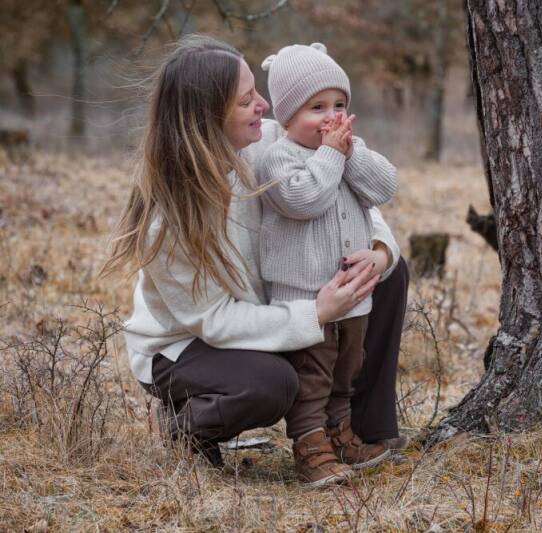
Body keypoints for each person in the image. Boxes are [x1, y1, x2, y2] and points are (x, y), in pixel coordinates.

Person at [99, 35, 408, 472]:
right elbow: (215, 320)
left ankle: (362, 427)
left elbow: (348, 202)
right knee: (269, 385)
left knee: (387, 274)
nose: (264, 105)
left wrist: (378, 252)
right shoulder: (170, 219)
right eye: (247, 99)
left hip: (276, 305)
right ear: (210, 114)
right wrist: (314, 315)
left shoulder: (270, 139)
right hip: (190, 346)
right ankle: (184, 422)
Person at [255, 43, 398, 486]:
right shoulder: (278, 157)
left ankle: (341, 434)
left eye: (339, 105)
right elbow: (304, 200)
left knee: (345, 372)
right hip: (306, 299)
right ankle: (309, 446)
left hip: (352, 295)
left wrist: (350, 153)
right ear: (286, 117)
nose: (331, 117)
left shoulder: (347, 149)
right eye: (317, 107)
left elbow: (384, 187)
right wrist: (333, 155)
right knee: (312, 375)